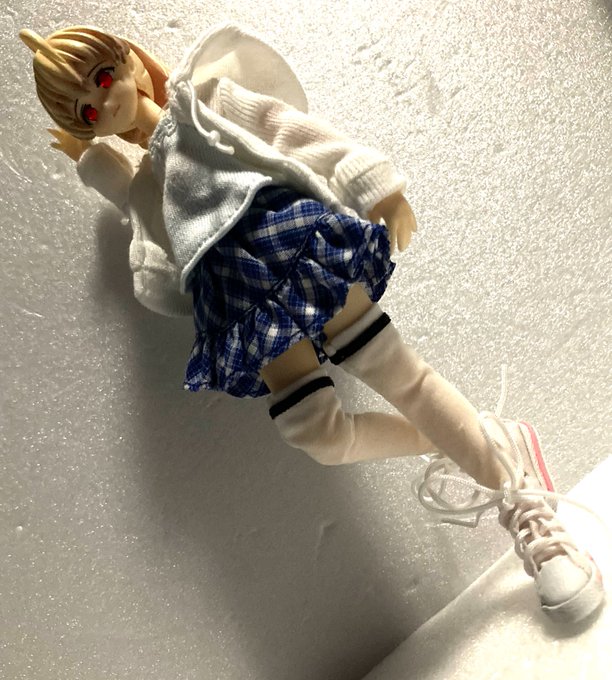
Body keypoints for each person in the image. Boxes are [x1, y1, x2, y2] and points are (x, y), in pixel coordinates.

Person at [19, 23, 604, 623]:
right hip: (236, 299)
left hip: (288, 243)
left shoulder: (204, 101)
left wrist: (374, 184)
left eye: (104, 77)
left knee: (399, 374)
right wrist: (98, 167)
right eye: (87, 111)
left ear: (131, 63)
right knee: (318, 434)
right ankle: (470, 439)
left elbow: (288, 130)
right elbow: (150, 224)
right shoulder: (149, 180)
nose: (106, 102)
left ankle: (530, 515)